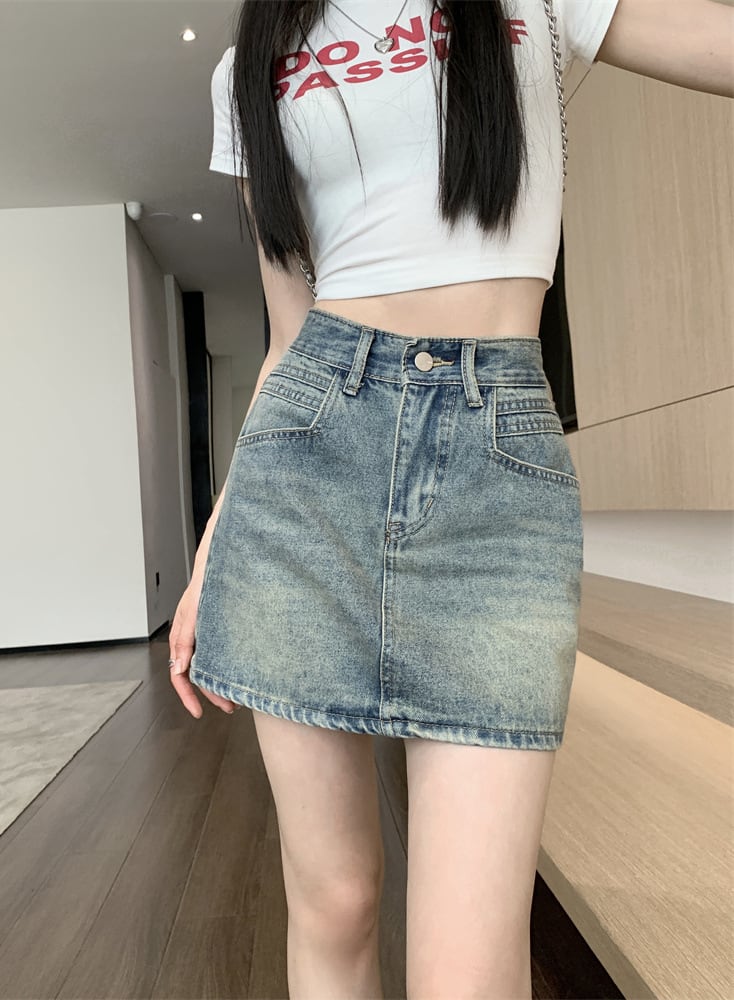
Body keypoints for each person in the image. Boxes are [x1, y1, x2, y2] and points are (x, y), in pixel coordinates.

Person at [169, 1, 732, 996]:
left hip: (496, 459)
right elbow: (286, 336)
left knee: (467, 969)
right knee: (334, 901)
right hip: (304, 467)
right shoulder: (247, 65)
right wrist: (217, 544)